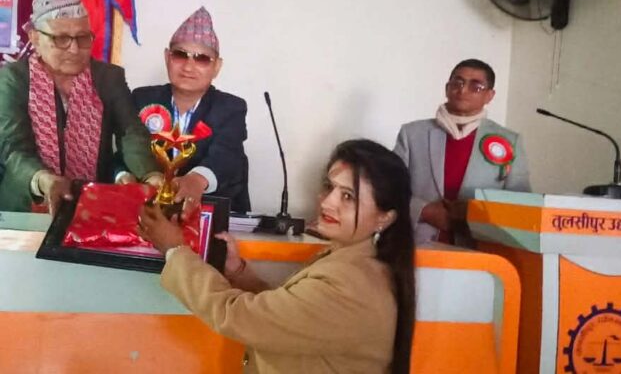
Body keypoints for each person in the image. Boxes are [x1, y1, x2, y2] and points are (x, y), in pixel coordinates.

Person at [138, 139, 416, 374]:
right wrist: (239, 272)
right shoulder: (350, 262)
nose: (327, 201)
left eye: (348, 196)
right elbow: (290, 316)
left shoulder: (351, 286)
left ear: (384, 217)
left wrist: (175, 250)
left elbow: (238, 316)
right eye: (329, 187)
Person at [0, 0, 161, 214]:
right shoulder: (12, 79)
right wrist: (43, 179)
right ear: (35, 37)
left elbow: (130, 131)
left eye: (82, 37)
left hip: (93, 202)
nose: (74, 49)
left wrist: (150, 174)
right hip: (25, 208)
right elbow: (12, 147)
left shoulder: (108, 77)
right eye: (61, 38)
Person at [123, 6, 250, 213]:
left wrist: (197, 180)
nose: (188, 67)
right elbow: (124, 149)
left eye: (202, 58)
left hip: (210, 216)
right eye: (180, 55)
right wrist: (123, 176)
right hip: (147, 212)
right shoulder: (141, 99)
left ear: (217, 67)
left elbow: (226, 154)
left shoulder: (230, 108)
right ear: (167, 57)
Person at [394, 58, 531, 245]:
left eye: (476, 86)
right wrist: (424, 210)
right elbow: (388, 187)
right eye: (457, 83)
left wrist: (476, 213)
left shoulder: (508, 141)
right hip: (418, 244)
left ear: (489, 96)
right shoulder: (412, 134)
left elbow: (522, 203)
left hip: (481, 247)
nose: (463, 90)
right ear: (447, 88)